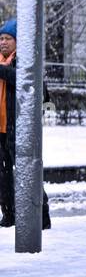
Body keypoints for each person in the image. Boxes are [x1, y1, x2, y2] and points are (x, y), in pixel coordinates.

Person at [0, 18, 52, 230]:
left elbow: (25, 81)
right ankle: (9, 214)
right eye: (1, 38)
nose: (3, 42)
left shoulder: (25, 61)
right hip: (1, 128)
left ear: (17, 41)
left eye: (8, 38)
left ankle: (42, 216)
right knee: (3, 176)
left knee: (27, 172)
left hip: (18, 126)